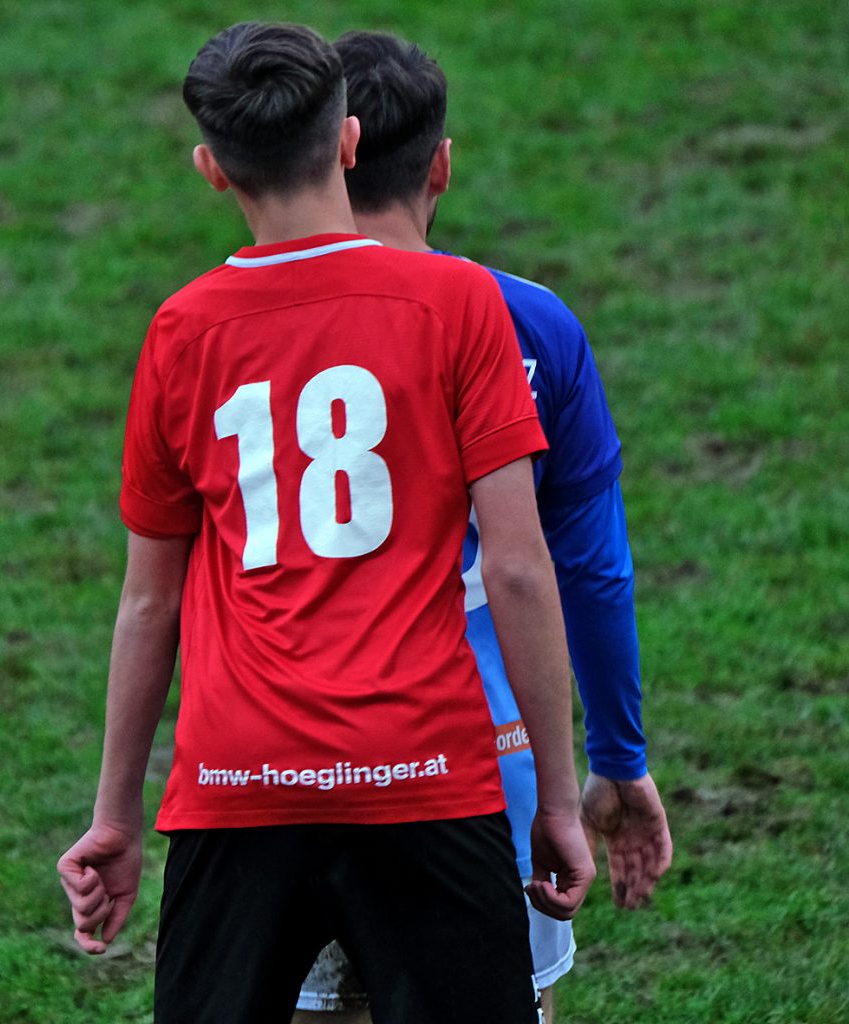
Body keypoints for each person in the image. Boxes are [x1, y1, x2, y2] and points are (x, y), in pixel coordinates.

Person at [56, 21, 595, 1024]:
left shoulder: (181, 331)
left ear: (212, 169)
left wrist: (115, 815)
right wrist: (558, 802)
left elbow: (148, 602)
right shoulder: (459, 303)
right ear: (348, 142)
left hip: (238, 781)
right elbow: (519, 569)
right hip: (424, 770)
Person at [293, 31, 673, 1024]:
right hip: (481, 753)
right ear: (442, 166)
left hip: (293, 755)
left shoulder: (247, 326)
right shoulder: (533, 325)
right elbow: (587, 568)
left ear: (326, 154)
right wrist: (617, 758)